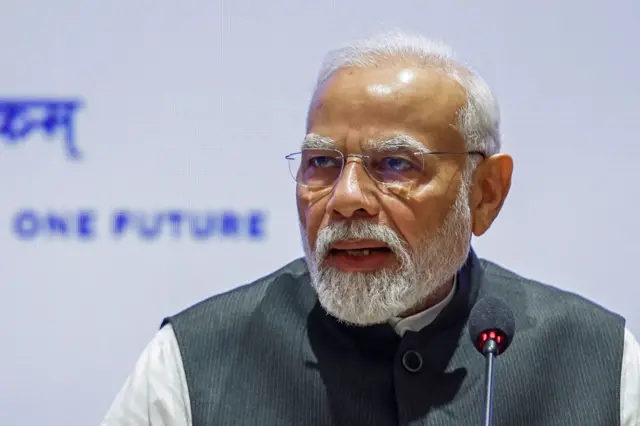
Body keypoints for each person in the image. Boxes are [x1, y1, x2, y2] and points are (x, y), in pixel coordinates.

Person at [102, 32, 639, 426]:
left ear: (484, 192)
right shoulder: (194, 362)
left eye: (395, 165)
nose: (347, 200)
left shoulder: (602, 363)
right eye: (321, 163)